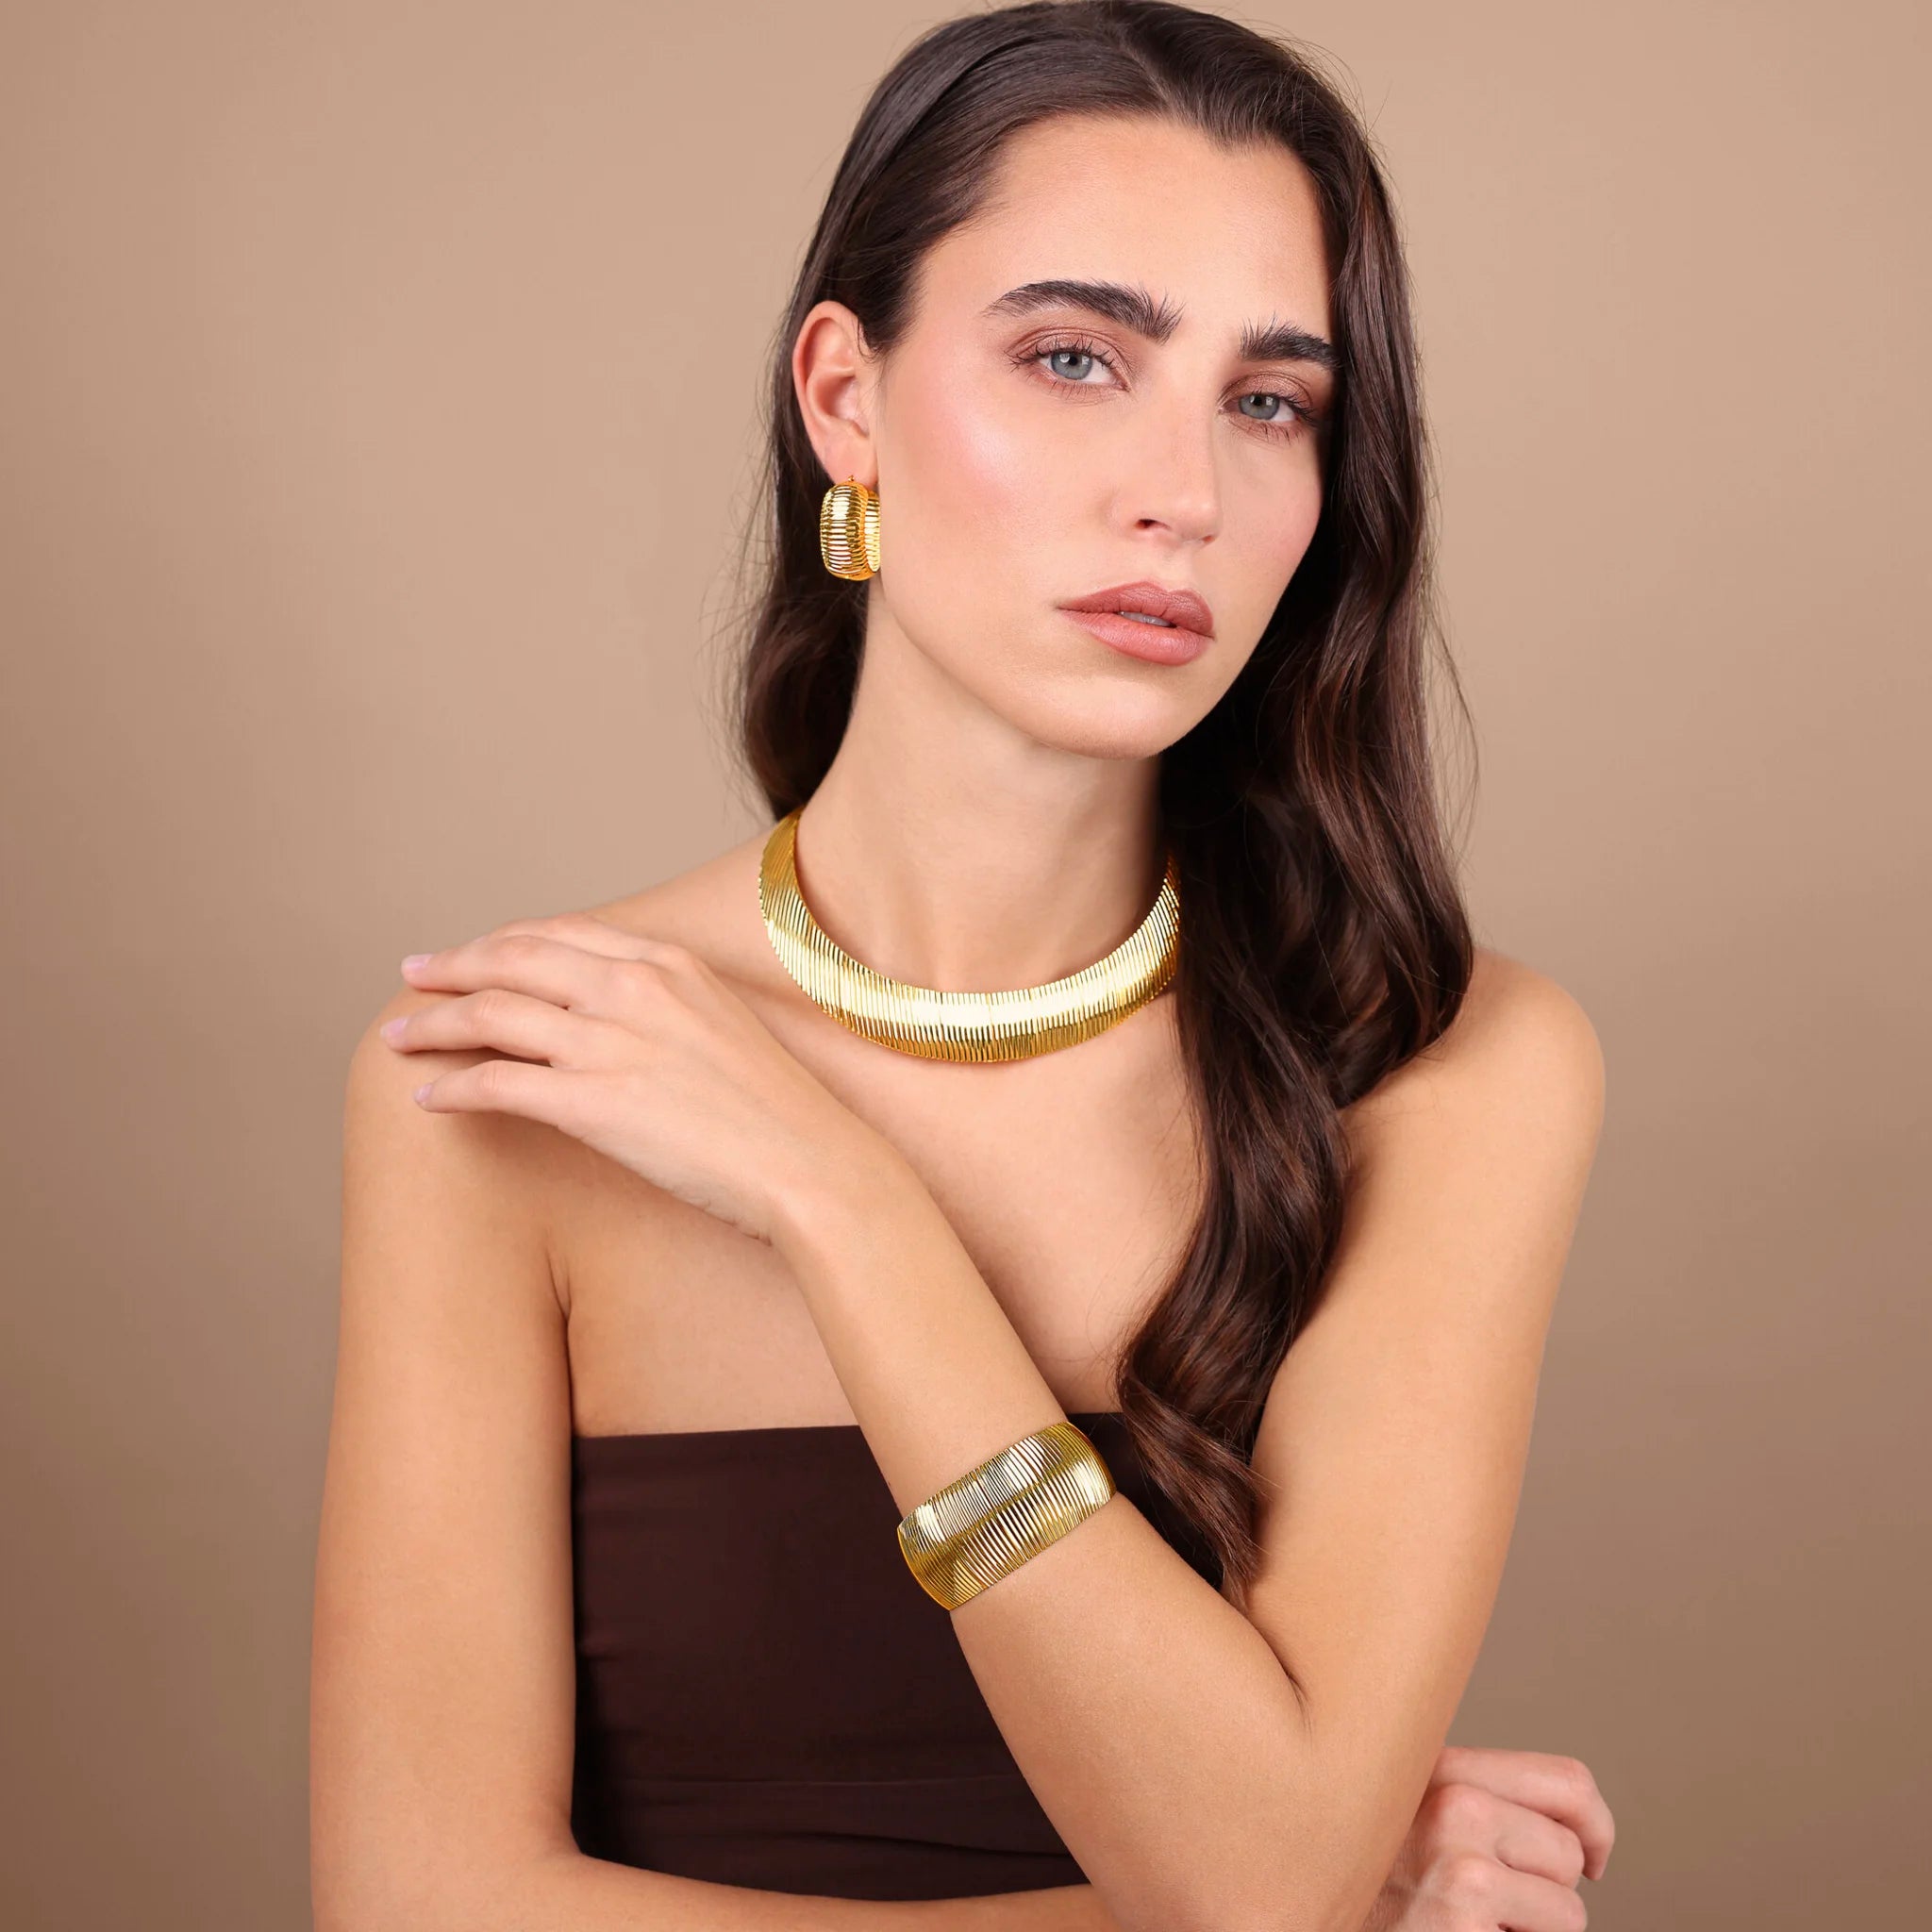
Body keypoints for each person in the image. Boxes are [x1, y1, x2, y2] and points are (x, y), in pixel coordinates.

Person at [310, 3, 1614, 1926]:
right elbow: (413, 1906)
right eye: (1076, 358)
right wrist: (1342, 1887)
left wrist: (847, 1207)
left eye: (1270, 400)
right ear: (845, 398)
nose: (1184, 489)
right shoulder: (522, 1077)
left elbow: (1256, 1881)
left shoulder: (1447, 1063)